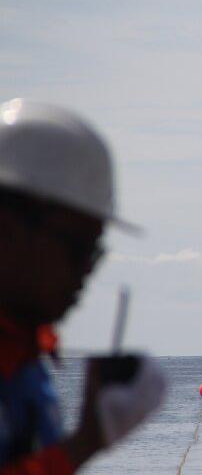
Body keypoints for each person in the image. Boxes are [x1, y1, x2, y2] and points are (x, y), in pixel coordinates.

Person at [0, 99, 167, 474]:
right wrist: (84, 444)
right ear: (6, 228)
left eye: (95, 254)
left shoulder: (26, 358)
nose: (85, 273)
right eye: (76, 248)